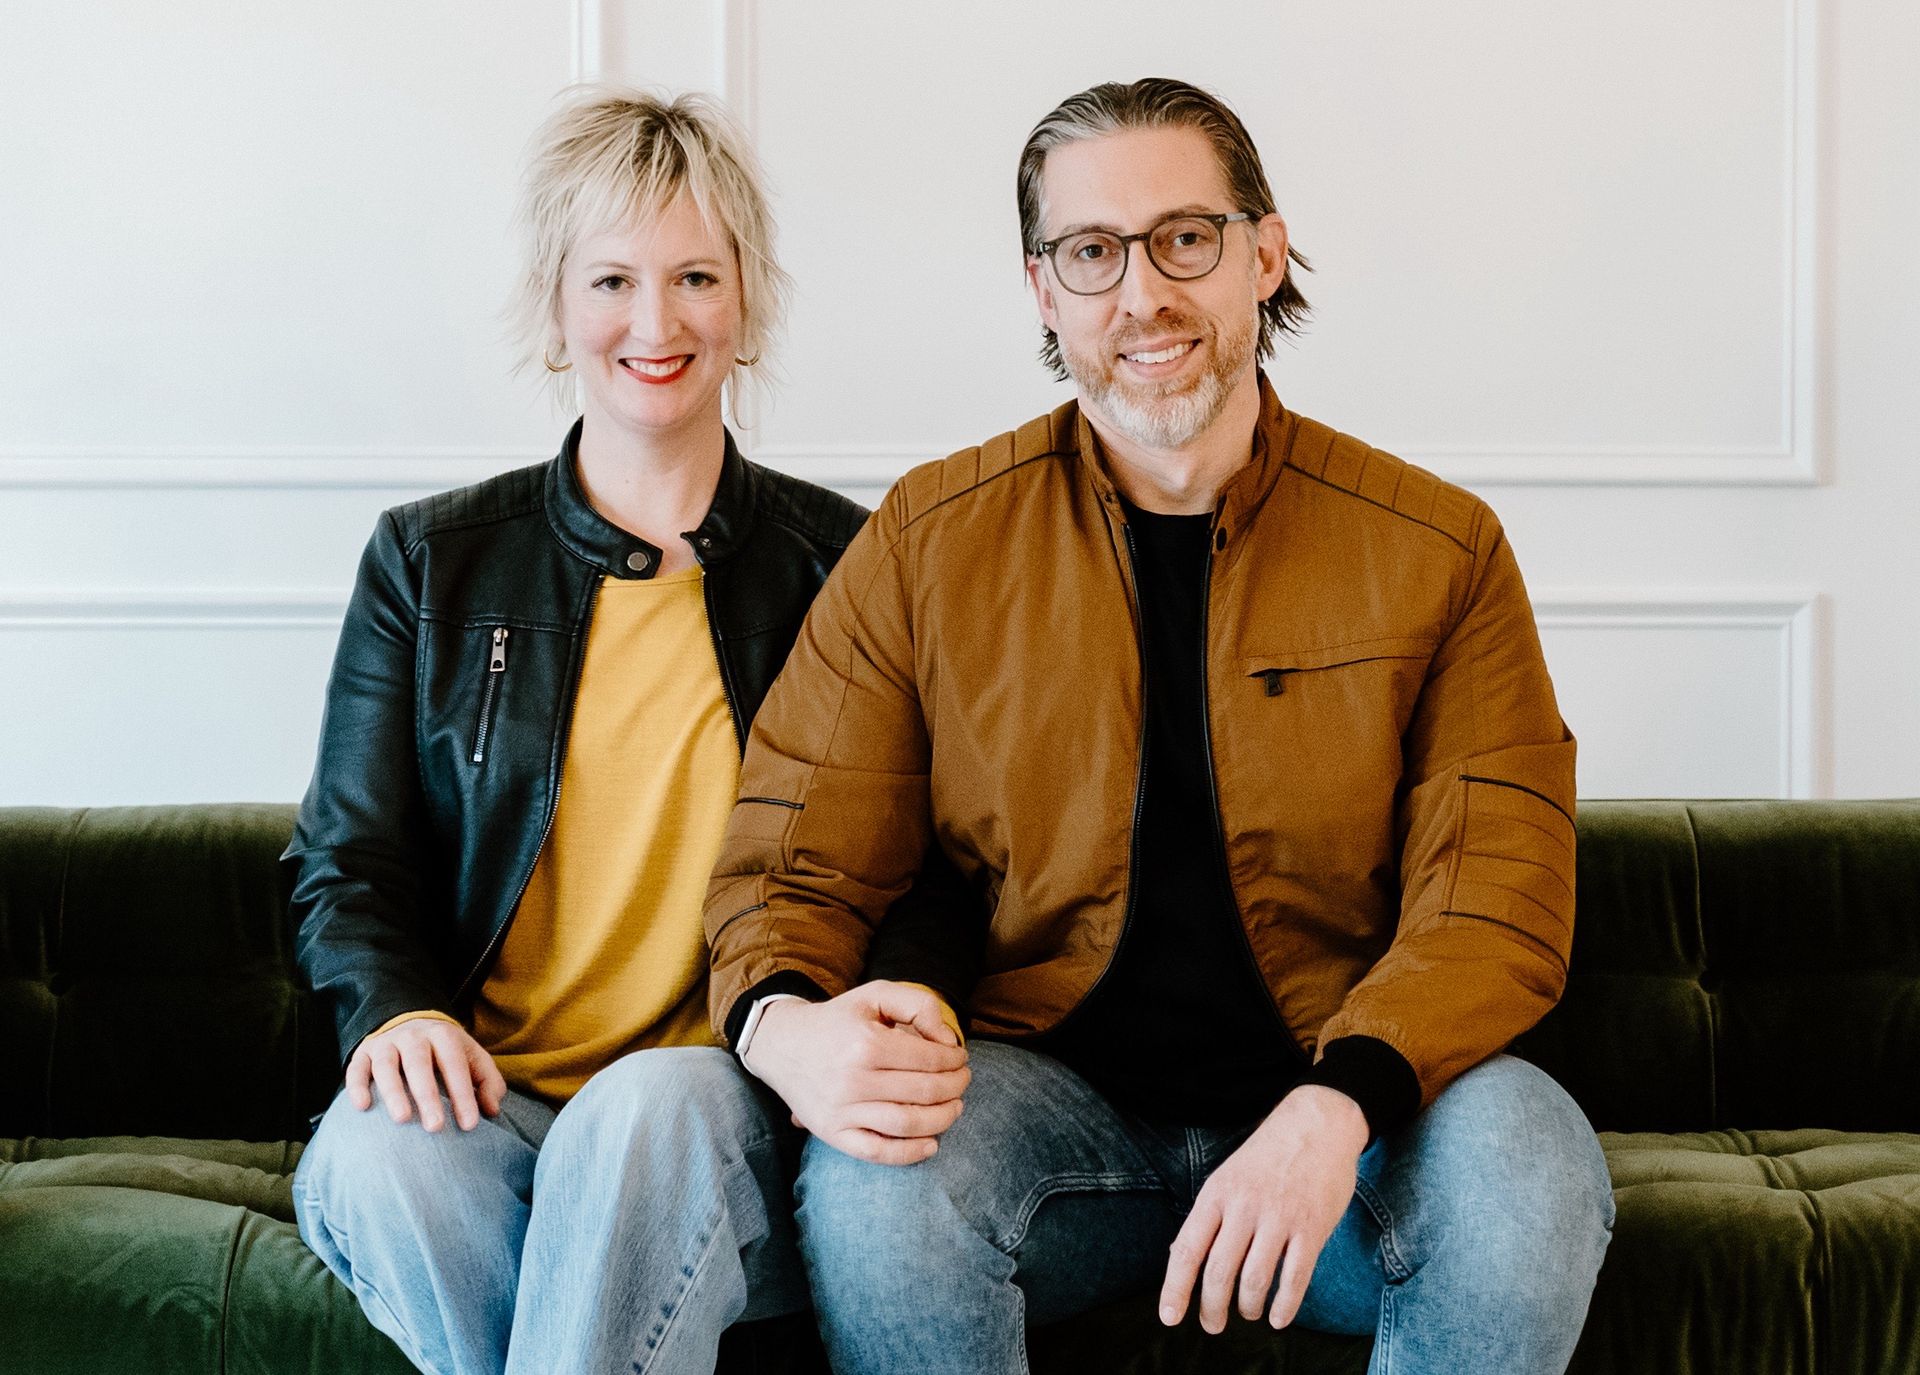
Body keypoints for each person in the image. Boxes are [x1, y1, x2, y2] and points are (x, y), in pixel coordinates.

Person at [706, 77, 1615, 1374]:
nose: (1143, 294)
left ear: (1264, 251)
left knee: (1530, 1168)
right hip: (1057, 1120)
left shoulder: (1438, 549)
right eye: (1093, 253)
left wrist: (1335, 1107)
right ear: (1043, 289)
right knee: (877, 1180)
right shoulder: (930, 542)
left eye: (1185, 238)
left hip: (1355, 1120)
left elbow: (1499, 896)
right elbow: (794, 856)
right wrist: (782, 1021)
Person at [285, 87, 969, 1375]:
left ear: (747, 306)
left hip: (715, 1108)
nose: (654, 324)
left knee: (647, 1109)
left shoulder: (849, 564)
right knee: (382, 1159)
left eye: (696, 277)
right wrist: (392, 1014)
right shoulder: (429, 562)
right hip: (486, 1099)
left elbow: (931, 858)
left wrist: (898, 1000)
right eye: (610, 280)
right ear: (555, 311)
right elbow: (348, 863)